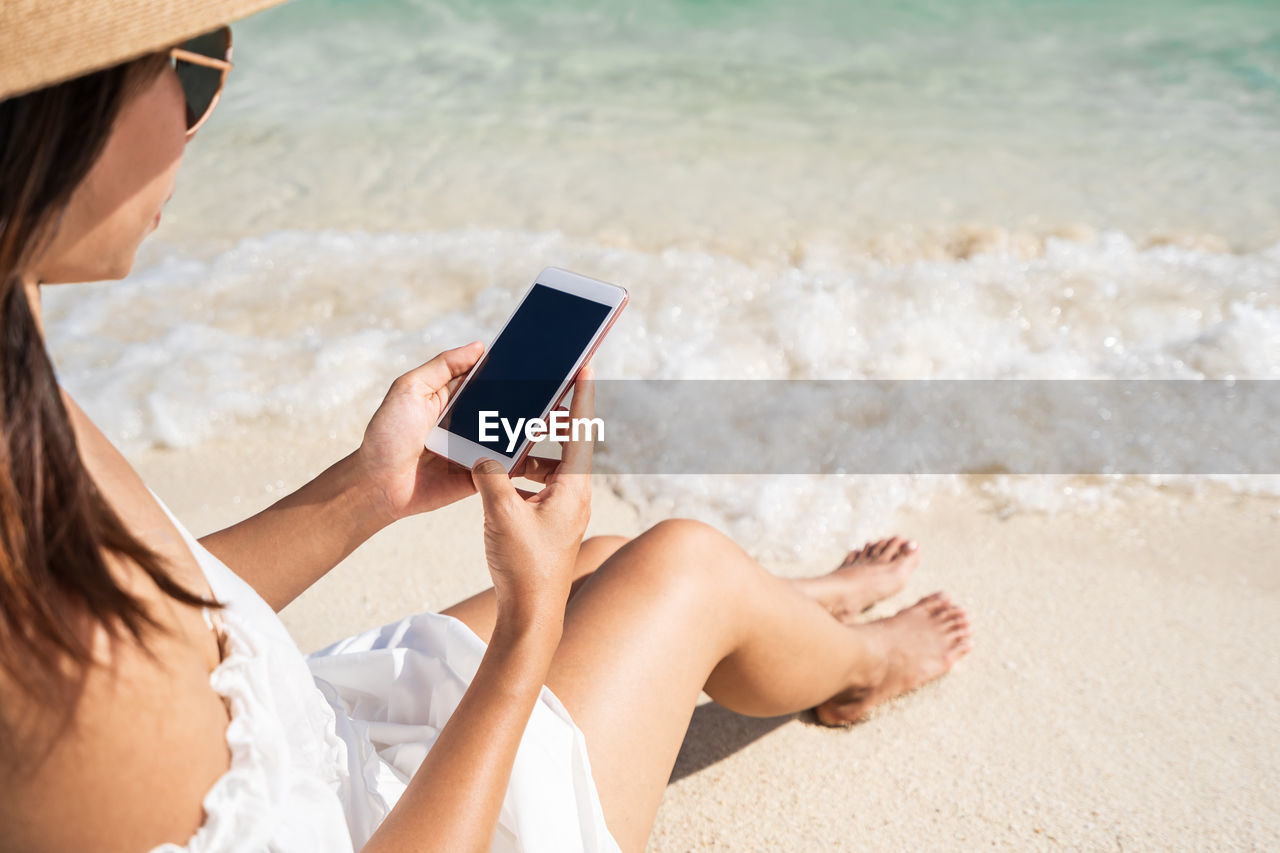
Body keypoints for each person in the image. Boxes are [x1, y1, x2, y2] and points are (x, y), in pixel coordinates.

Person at [0, 2, 973, 851]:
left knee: (604, 555)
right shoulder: (49, 676)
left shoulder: (17, 390)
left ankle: (790, 606)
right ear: (44, 109)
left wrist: (365, 492)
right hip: (386, 823)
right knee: (683, 564)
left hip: (298, 736)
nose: (197, 114)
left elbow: (158, 614)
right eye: (188, 58)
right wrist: (525, 629)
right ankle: (861, 664)